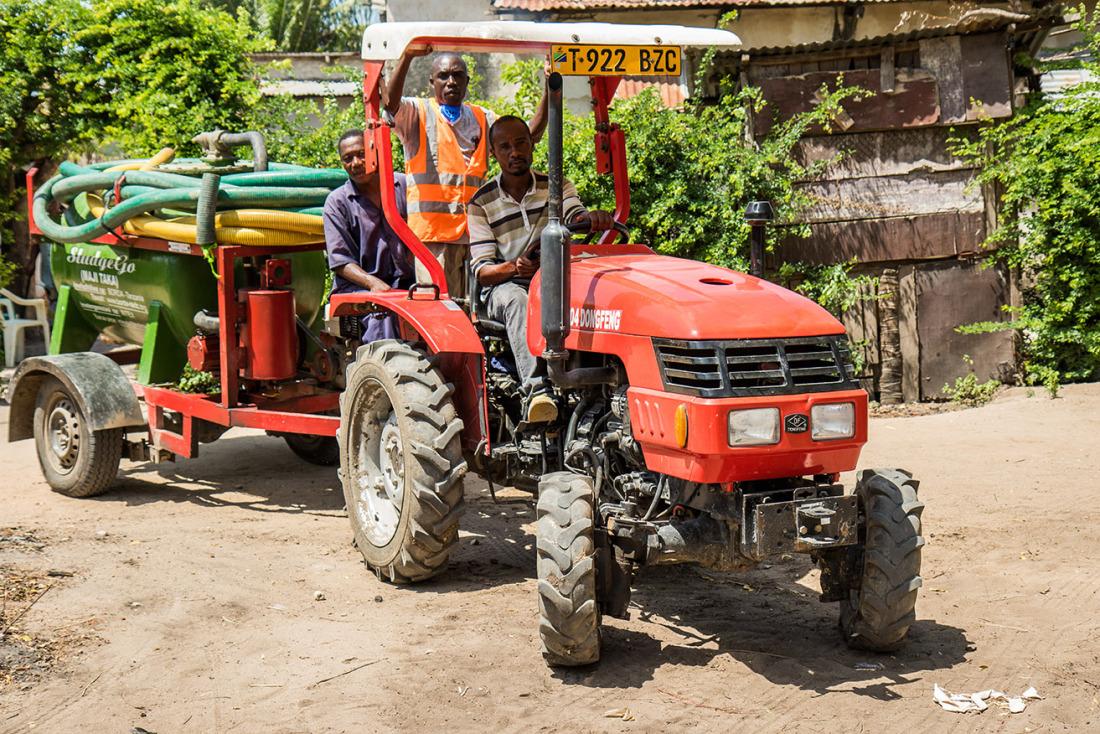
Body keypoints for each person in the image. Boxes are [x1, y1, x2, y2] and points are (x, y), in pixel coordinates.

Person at [467, 116, 614, 423]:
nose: (514, 152)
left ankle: (602, 385)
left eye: (520, 143)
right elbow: (483, 270)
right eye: (504, 146)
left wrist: (593, 217)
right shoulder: (481, 203)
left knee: (599, 291)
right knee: (517, 301)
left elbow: (575, 213)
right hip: (506, 286)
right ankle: (537, 393)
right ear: (493, 154)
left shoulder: (555, 186)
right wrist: (514, 266)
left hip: (553, 280)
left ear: (532, 145)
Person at [382, 50, 548, 302]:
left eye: (458, 75)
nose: (451, 81)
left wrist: (550, 88)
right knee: (438, 310)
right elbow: (390, 104)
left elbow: (528, 135)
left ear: (467, 82)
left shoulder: (482, 118)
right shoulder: (418, 113)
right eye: (443, 76)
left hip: (476, 237)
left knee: (475, 316)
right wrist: (406, 56)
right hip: (433, 238)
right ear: (432, 83)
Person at [323, 129, 415, 343]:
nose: (355, 163)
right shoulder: (337, 203)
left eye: (361, 154)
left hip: (406, 282)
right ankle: (378, 373)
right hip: (361, 286)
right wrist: (373, 283)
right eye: (347, 159)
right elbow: (341, 262)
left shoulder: (405, 186)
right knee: (383, 318)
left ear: (375, 153)